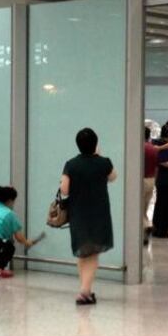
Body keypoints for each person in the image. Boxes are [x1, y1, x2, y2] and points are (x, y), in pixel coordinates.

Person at [61, 128, 116, 305]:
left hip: (78, 212)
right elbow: (113, 177)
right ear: (95, 143)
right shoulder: (104, 162)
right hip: (99, 212)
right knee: (93, 253)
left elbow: (64, 190)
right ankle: (85, 291)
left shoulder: (71, 164)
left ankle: (86, 290)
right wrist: (99, 157)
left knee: (83, 251)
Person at [143, 127, 159, 245]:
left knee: (138, 208)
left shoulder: (139, 148)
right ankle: (145, 231)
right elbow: (157, 167)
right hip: (151, 180)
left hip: (141, 180)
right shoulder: (153, 149)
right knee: (145, 207)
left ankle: (147, 225)